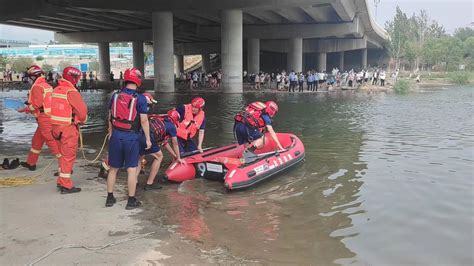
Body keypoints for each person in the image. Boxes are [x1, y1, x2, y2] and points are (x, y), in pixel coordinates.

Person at [106, 68, 151, 209]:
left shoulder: (114, 95)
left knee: (113, 168)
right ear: (138, 80)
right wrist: (148, 139)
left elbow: (110, 116)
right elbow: (144, 121)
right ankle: (131, 201)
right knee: (131, 169)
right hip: (131, 137)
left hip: (116, 136)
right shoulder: (141, 98)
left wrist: (111, 131)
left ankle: (109, 198)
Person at [50, 66, 88, 194]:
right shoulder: (71, 91)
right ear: (74, 78)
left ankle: (61, 181)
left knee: (62, 156)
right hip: (67, 129)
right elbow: (82, 112)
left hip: (55, 128)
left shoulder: (56, 89)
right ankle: (66, 185)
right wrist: (80, 120)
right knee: (68, 157)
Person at [19, 65, 61, 172]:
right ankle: (31, 163)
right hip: (47, 116)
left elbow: (37, 104)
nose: (28, 79)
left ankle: (64, 167)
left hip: (44, 118)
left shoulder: (37, 86)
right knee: (36, 141)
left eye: (29, 77)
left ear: (33, 77)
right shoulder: (46, 85)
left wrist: (26, 109)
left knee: (51, 142)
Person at [136, 110, 185, 190]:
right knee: (159, 157)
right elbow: (175, 143)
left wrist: (175, 156)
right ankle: (149, 184)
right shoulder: (172, 126)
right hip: (148, 137)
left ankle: (134, 182)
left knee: (139, 157)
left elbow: (165, 143)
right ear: (175, 120)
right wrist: (179, 158)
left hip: (139, 134)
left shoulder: (160, 118)